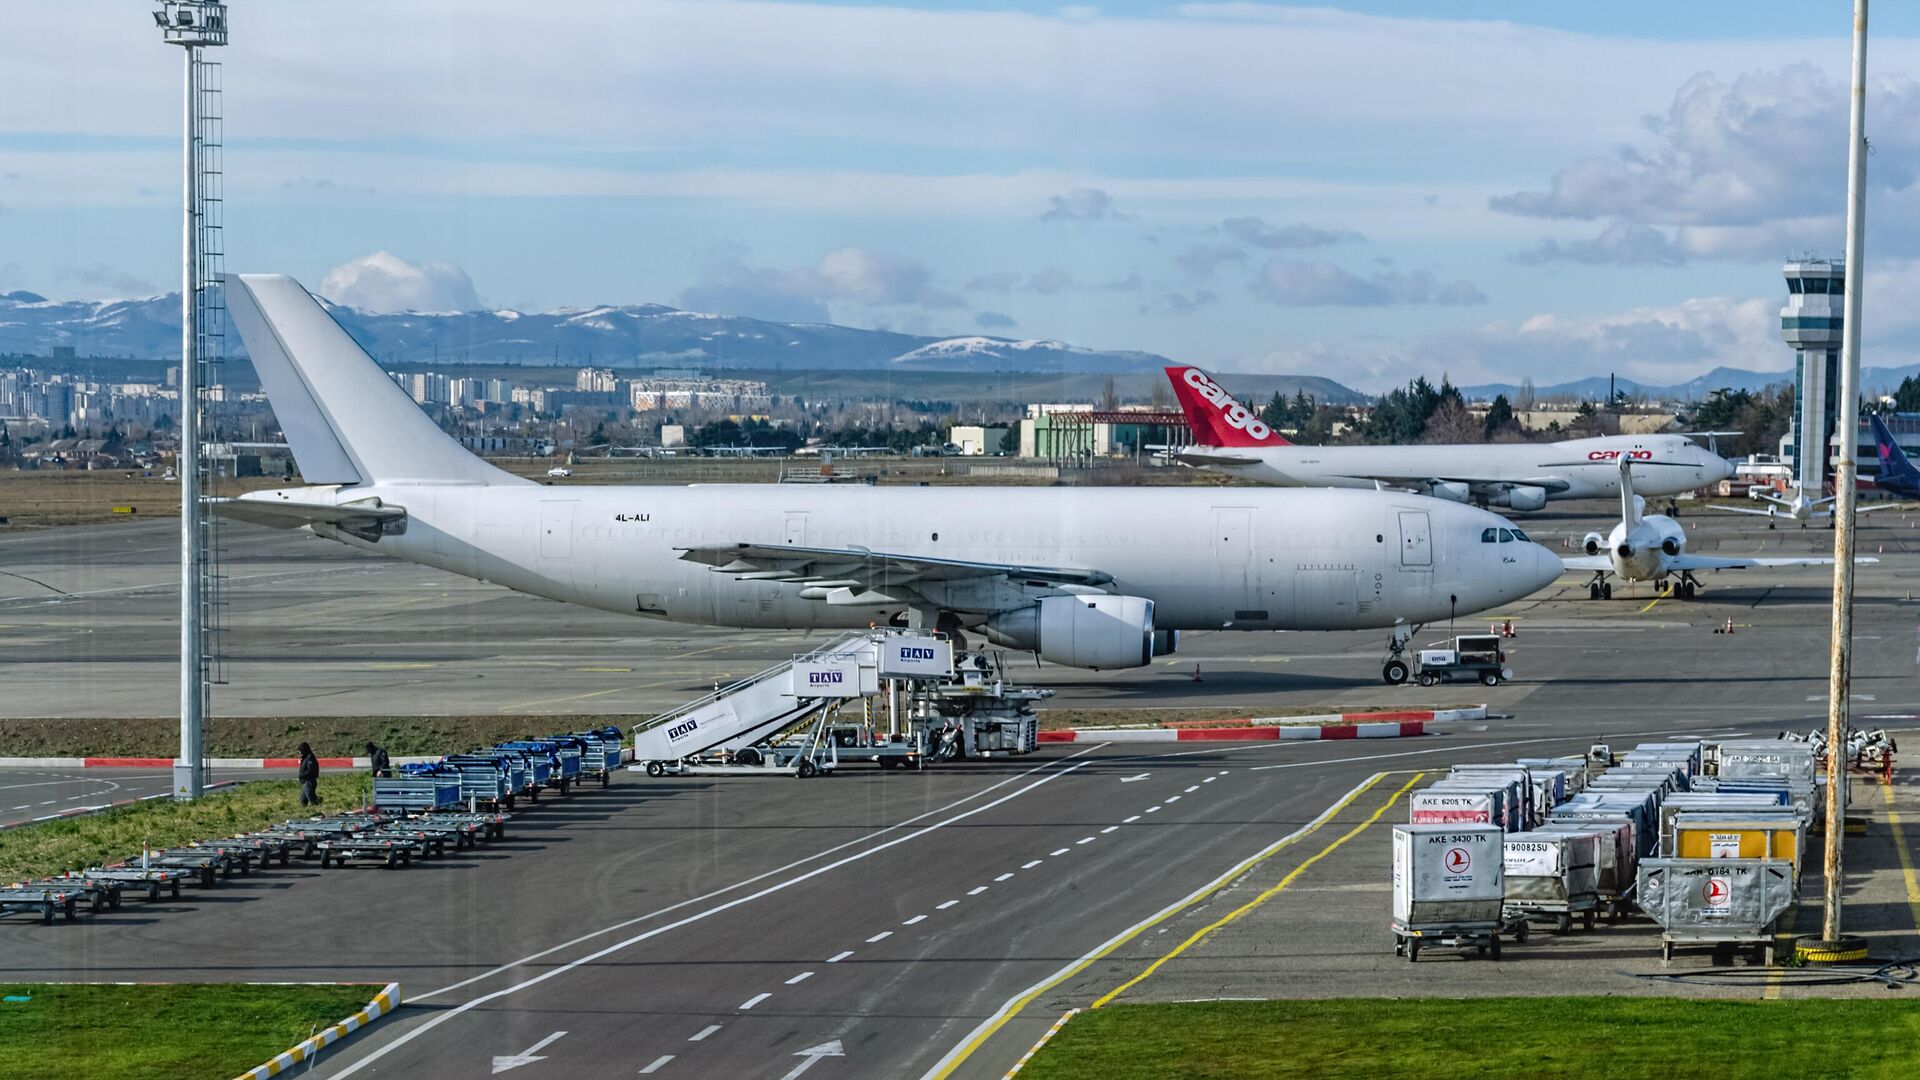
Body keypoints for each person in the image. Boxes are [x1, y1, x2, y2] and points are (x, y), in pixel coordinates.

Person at [297, 742, 321, 806]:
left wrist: (302, 775)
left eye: (300, 752)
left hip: (309, 782)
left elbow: (310, 770)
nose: (299, 753)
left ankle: (317, 808)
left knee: (312, 800)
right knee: (303, 801)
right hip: (305, 782)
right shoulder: (305, 758)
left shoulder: (310, 758)